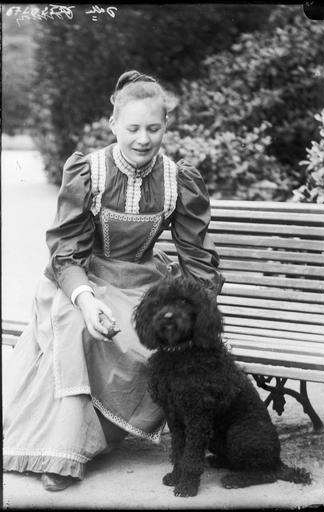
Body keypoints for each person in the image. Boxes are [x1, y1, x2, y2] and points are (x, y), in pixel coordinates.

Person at [3, 70, 224, 492]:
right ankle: (63, 451)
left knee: (150, 338)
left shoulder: (179, 180)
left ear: (166, 127)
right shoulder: (90, 171)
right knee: (76, 326)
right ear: (114, 125)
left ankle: (98, 437)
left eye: (154, 129)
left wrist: (203, 313)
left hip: (143, 280)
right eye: (133, 128)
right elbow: (66, 252)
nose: (143, 139)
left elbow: (196, 258)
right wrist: (86, 299)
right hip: (83, 276)